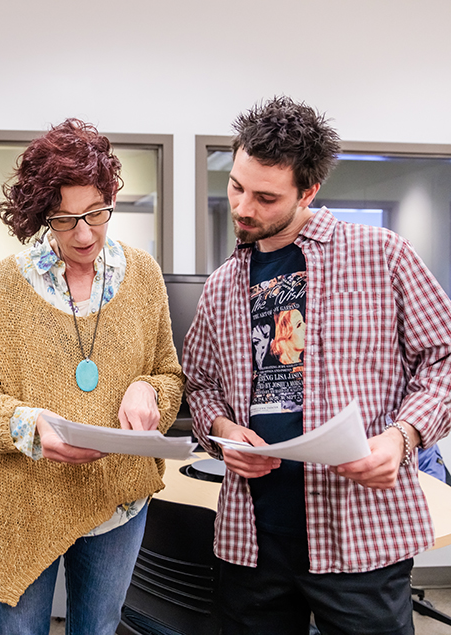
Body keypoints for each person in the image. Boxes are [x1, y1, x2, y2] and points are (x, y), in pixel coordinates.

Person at [184, 95, 451, 634]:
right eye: (237, 186)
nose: (242, 208)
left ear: (308, 192)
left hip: (360, 536)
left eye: (265, 197)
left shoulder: (383, 256)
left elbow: (444, 357)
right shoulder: (222, 285)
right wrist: (223, 429)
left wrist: (403, 437)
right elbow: (201, 384)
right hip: (252, 539)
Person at [0, 118, 184, 634]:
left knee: (99, 628)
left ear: (110, 200)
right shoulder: (13, 283)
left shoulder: (143, 276)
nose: (84, 233)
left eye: (96, 213)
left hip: (116, 498)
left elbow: (169, 376)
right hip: (25, 500)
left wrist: (148, 388)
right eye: (64, 219)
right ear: (43, 216)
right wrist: (31, 426)